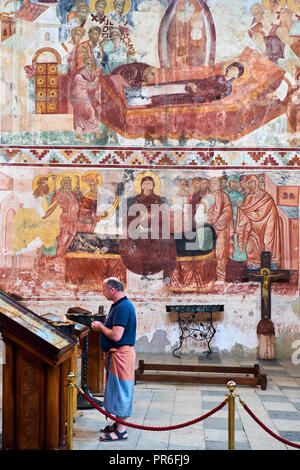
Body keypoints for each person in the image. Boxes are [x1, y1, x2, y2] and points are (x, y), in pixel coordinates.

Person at [91, 277, 136, 442]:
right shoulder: (119, 305)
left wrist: (100, 327)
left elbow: (117, 335)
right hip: (118, 355)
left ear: (112, 289)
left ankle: (122, 430)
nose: (102, 293)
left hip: (122, 356)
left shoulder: (123, 307)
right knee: (116, 390)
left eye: (103, 290)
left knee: (121, 391)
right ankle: (118, 424)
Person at [123, 61, 245, 107]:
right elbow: (204, 81)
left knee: (163, 97)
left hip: (193, 95)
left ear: (236, 76)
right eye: (232, 68)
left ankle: (132, 101)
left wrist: (195, 90)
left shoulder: (227, 88)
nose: (232, 70)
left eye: (236, 71)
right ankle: (132, 92)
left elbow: (211, 96)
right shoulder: (219, 77)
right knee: (164, 88)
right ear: (228, 68)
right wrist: (193, 84)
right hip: (192, 85)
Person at [235, 174, 281, 269]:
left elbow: (259, 215)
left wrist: (243, 208)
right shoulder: (248, 198)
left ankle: (270, 265)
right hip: (253, 229)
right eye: (248, 183)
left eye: (252, 182)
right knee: (251, 245)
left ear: (257, 183)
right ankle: (254, 265)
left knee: (267, 243)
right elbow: (244, 217)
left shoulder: (266, 198)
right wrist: (242, 231)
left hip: (267, 226)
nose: (250, 184)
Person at [70, 57, 105, 142]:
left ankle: (79, 134)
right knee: (90, 113)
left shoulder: (93, 73)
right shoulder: (79, 75)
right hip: (79, 96)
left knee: (80, 116)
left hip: (87, 96)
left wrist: (97, 78)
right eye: (89, 63)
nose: (91, 65)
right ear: (85, 64)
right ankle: (96, 132)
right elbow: (89, 85)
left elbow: (96, 84)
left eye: (92, 64)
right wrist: (96, 80)